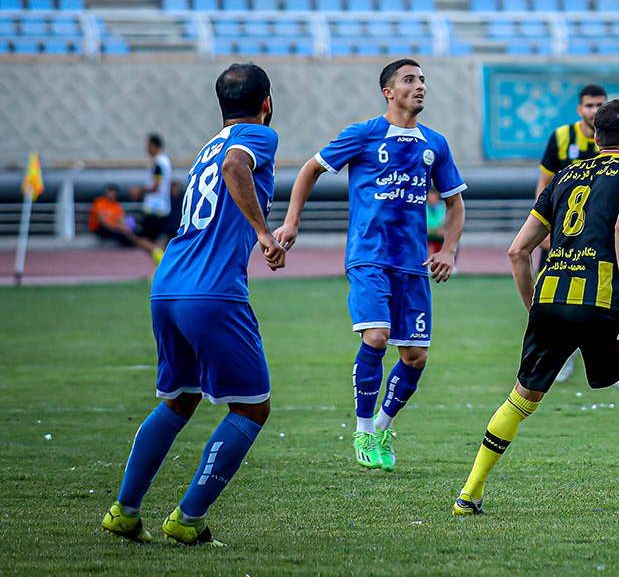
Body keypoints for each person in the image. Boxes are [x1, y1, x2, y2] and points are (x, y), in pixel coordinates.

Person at [454, 99, 619, 516]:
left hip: (550, 298)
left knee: (522, 398)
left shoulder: (564, 176)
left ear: (596, 137)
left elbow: (517, 251)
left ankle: (469, 494)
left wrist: (535, 310)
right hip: (598, 302)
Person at [100, 63, 285, 547]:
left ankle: (124, 512)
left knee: (180, 399)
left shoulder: (207, 147)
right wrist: (264, 233)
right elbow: (236, 167)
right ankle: (188, 517)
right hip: (212, 290)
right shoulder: (256, 136)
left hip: (168, 285)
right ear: (266, 103)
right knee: (253, 407)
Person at [274, 59, 466, 472]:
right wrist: (291, 222)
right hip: (369, 256)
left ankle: (381, 427)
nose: (420, 86)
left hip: (412, 264)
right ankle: (362, 430)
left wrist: (449, 250)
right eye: (409, 80)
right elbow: (310, 169)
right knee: (377, 337)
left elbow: (455, 202)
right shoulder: (363, 134)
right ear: (388, 92)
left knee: (415, 356)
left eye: (422, 80)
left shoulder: (435, 144)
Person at [534, 83, 607, 381]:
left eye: (600, 105)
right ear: (579, 109)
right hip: (562, 234)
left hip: (597, 235)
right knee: (550, 298)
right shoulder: (562, 138)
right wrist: (542, 230)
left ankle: (612, 362)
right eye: (590, 105)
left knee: (603, 299)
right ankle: (559, 355)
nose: (595, 110)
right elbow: (544, 185)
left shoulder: (612, 139)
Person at [89, 183, 163, 263]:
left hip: (117, 229)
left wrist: (124, 228)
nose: (111, 195)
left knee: (139, 234)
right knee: (131, 238)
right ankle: (154, 250)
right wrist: (120, 228)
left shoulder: (116, 205)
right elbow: (103, 222)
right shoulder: (100, 202)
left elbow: (121, 219)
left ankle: (154, 250)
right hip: (102, 229)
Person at [131, 133, 174, 246]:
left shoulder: (158, 163)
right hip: (163, 205)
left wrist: (139, 191)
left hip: (154, 207)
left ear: (153, 145)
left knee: (142, 239)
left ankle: (158, 254)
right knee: (157, 240)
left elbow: (155, 186)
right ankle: (159, 255)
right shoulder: (166, 161)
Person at [426, 187, 446, 256]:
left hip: (439, 233)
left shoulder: (442, 207)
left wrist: (442, 228)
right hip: (427, 233)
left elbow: (445, 220)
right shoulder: (424, 208)